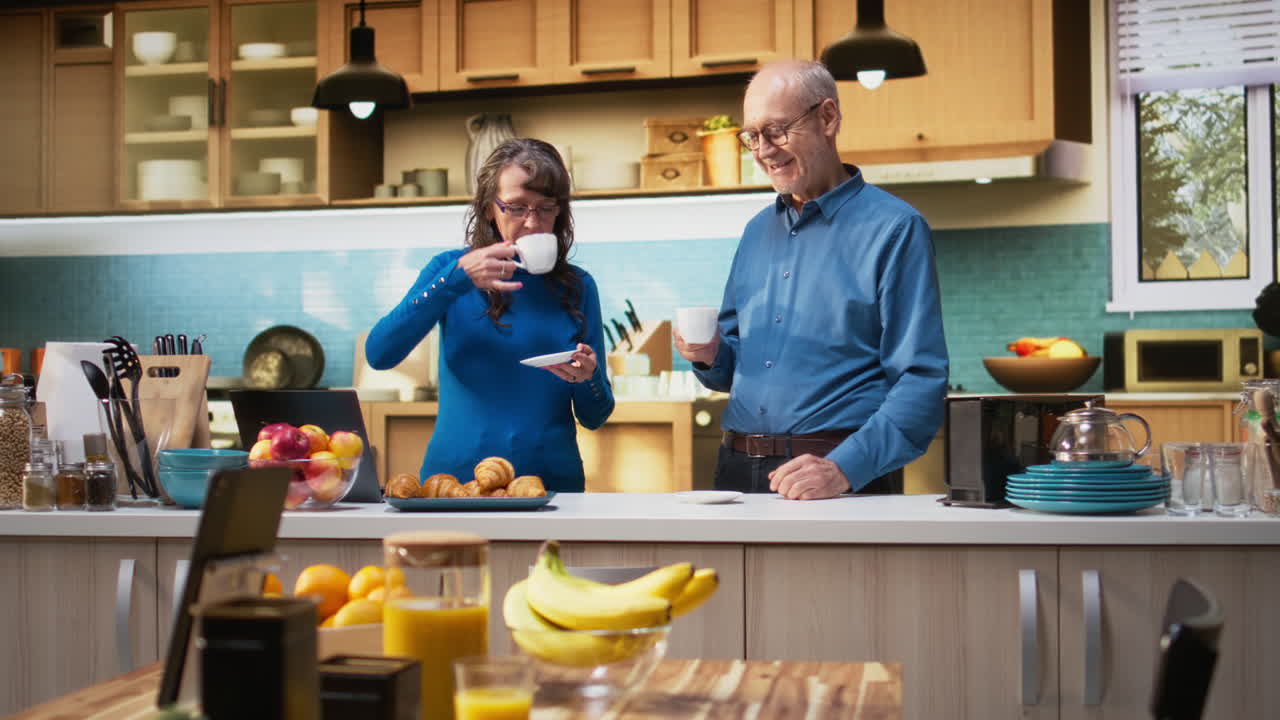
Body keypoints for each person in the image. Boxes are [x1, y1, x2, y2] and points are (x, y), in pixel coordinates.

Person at [675, 59, 949, 500]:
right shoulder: (755, 232)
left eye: (777, 130)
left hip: (835, 474)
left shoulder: (895, 229)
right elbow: (730, 368)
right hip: (736, 472)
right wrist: (709, 356)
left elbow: (920, 377)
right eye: (752, 137)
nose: (763, 150)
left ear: (828, 118)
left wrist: (844, 468)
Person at [366, 138, 613, 492]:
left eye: (546, 207)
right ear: (488, 208)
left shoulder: (579, 287)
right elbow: (379, 354)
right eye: (516, 207)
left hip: (551, 487)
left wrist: (587, 378)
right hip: (453, 484)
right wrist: (456, 279)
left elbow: (595, 415)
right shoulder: (449, 270)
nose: (532, 222)